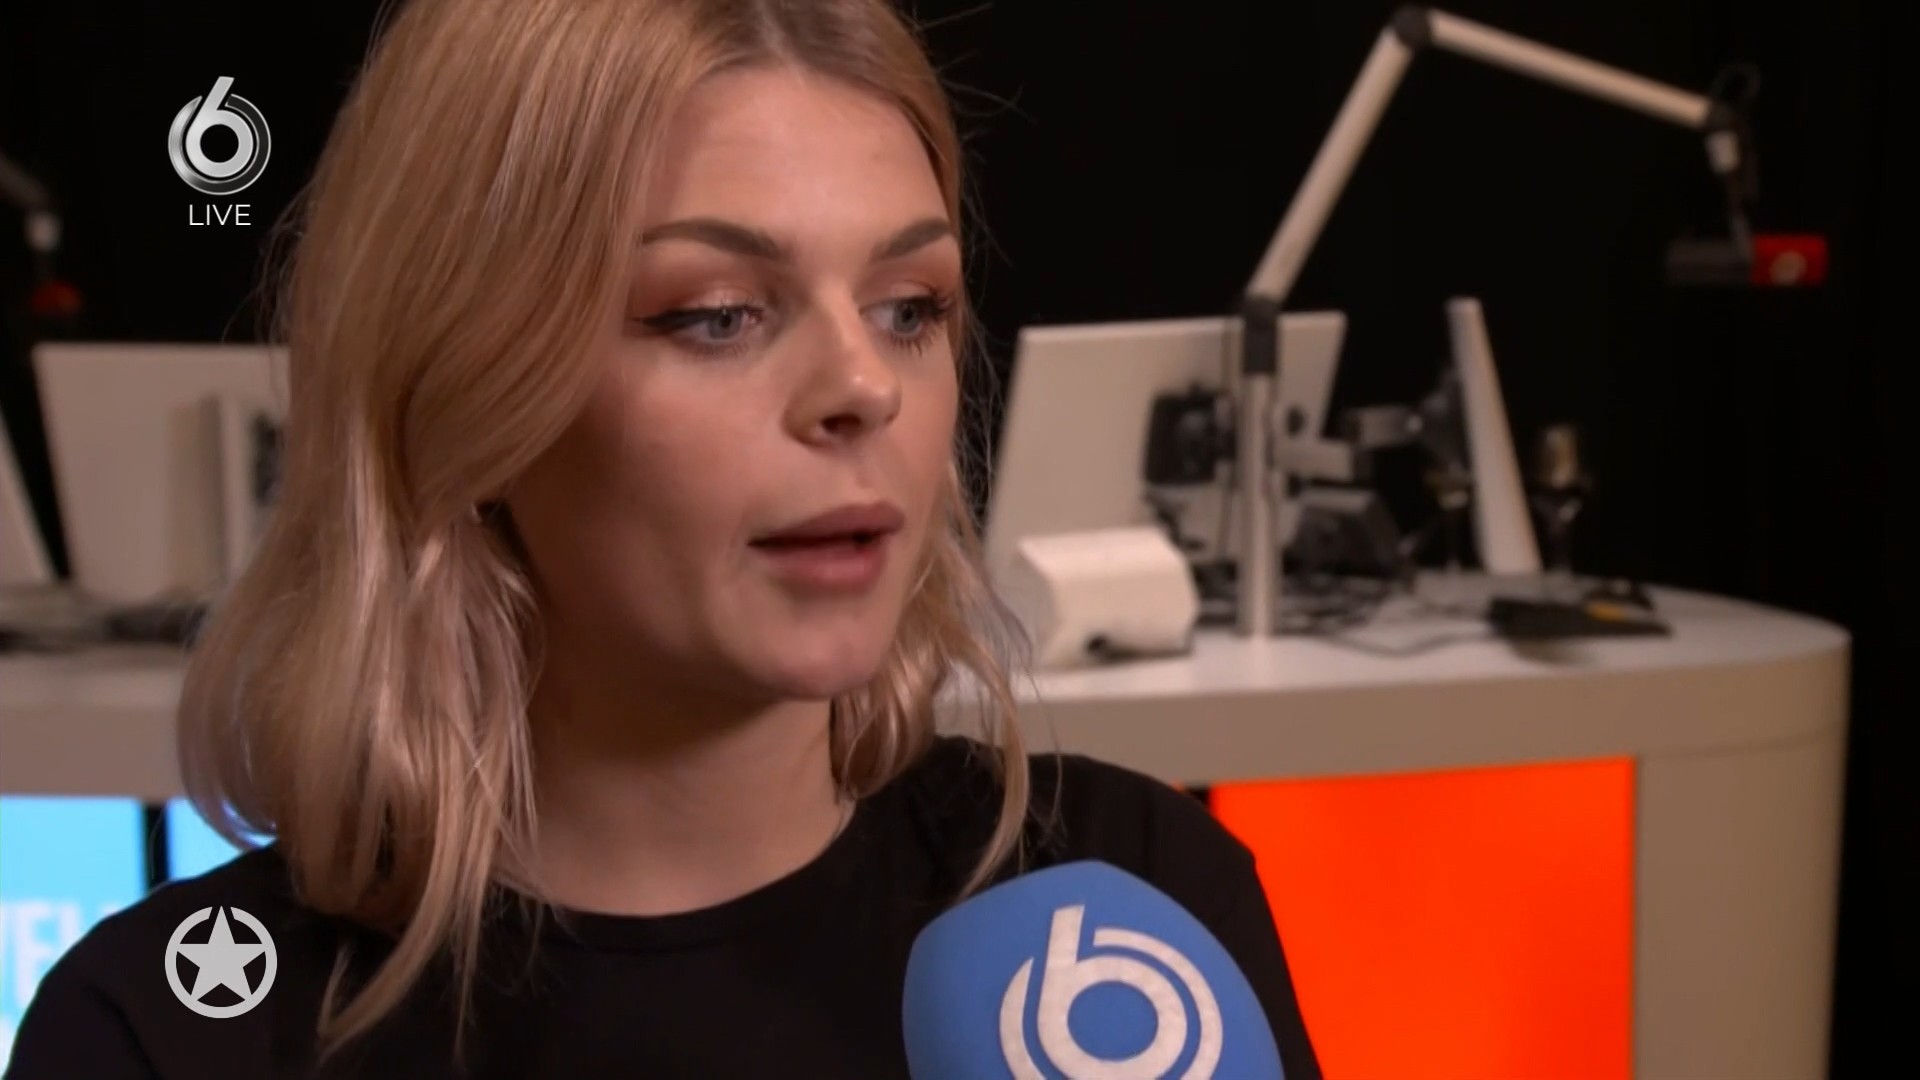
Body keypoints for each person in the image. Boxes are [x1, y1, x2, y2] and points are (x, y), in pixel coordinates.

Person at [6, 0, 1322, 1076]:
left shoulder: (1128, 920)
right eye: (715, 314)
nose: (863, 386)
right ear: (470, 393)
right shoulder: (170, 1035)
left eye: (909, 306)